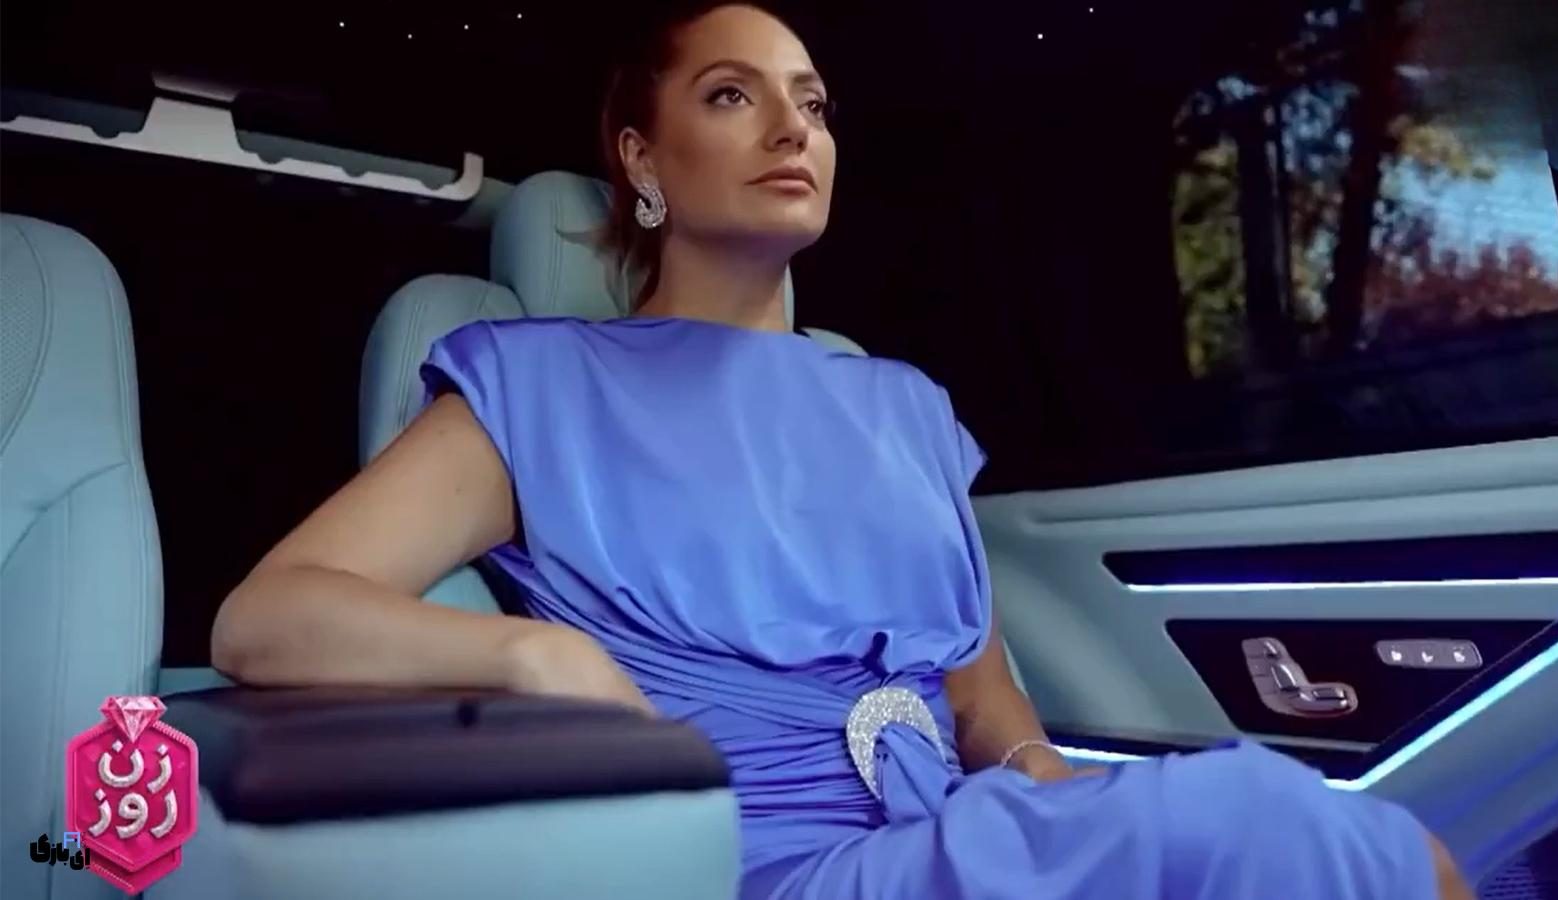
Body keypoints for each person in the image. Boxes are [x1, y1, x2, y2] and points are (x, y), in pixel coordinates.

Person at [210, 3, 1475, 898]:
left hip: (963, 831)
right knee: (1270, 826)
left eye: (811, 104)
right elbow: (268, 616)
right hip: (745, 856)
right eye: (733, 95)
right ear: (641, 157)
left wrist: (1051, 790)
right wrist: (534, 655)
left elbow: (978, 698)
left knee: (1358, 844)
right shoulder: (539, 384)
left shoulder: (904, 405)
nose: (791, 128)